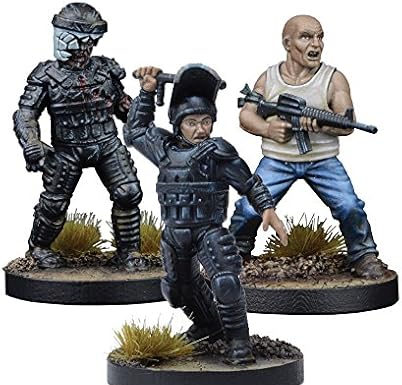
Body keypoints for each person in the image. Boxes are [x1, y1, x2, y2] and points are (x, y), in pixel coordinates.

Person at [123, 64, 288, 364]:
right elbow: (134, 131)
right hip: (174, 233)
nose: (201, 129)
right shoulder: (163, 149)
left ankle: (239, 343)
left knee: (225, 282)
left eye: (206, 121)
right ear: (178, 124)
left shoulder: (217, 153)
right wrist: (146, 92)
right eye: (192, 123)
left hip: (208, 230)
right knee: (176, 291)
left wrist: (267, 208)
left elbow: (249, 183)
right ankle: (209, 325)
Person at [229, 15, 386, 279]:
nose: (316, 44)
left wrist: (322, 125)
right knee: (248, 208)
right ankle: (235, 252)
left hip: (322, 160)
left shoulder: (333, 79)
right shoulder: (269, 79)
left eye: (320, 37)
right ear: (287, 43)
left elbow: (346, 123)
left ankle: (363, 255)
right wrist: (267, 129)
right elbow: (246, 115)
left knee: (349, 206)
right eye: (306, 37)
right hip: (277, 160)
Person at [13, 3, 143, 270]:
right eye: (81, 41)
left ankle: (129, 252)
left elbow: (122, 106)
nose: (85, 49)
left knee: (128, 193)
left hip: (106, 144)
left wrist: (136, 107)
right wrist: (32, 143)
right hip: (67, 149)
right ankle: (38, 248)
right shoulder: (47, 75)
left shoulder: (105, 69)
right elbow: (25, 113)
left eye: (90, 42)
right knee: (54, 203)